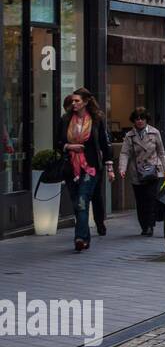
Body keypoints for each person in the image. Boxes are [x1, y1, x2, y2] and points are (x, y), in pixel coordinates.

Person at [55, 89, 116, 252]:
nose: (73, 104)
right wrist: (69, 146)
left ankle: (79, 238)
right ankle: (85, 237)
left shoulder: (97, 120)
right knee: (77, 204)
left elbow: (105, 143)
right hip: (71, 167)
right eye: (73, 101)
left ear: (86, 101)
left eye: (77, 101)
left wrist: (110, 167)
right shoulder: (66, 119)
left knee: (82, 201)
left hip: (90, 167)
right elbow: (57, 142)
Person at [117, 108, 165, 237]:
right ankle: (144, 225)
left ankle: (150, 225)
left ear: (146, 120)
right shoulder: (130, 136)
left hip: (152, 171)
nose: (139, 121)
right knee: (140, 201)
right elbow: (124, 153)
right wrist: (122, 169)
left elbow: (161, 152)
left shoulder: (154, 133)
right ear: (134, 121)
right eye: (137, 119)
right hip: (137, 172)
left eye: (142, 118)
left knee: (151, 199)